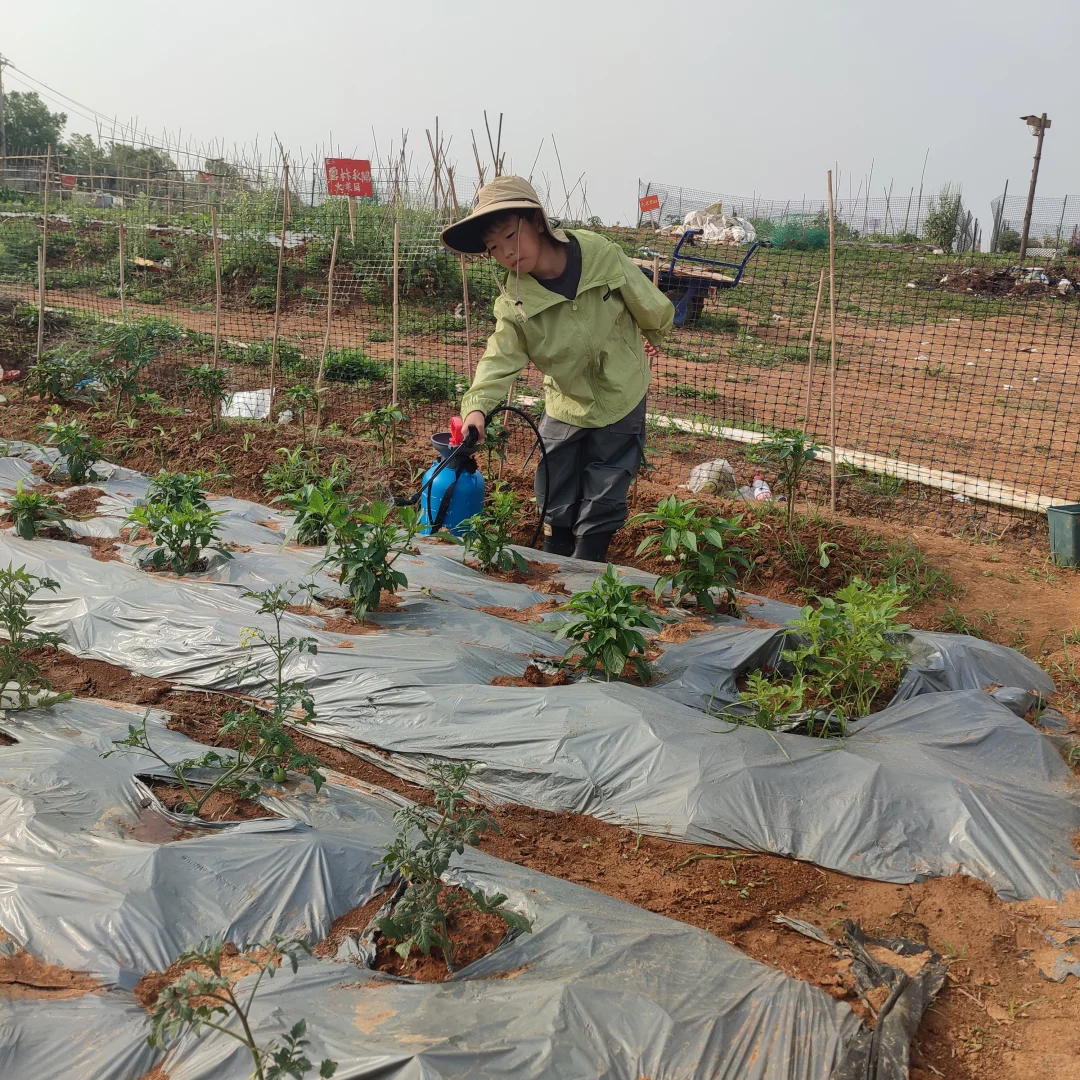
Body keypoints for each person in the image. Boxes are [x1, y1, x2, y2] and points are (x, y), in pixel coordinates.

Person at [441, 176, 674, 563]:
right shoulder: (515, 301)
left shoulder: (599, 254)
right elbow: (499, 356)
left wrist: (655, 334)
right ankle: (554, 559)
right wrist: (477, 408)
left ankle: (587, 569)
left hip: (622, 391)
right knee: (554, 483)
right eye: (493, 247)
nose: (506, 253)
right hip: (566, 398)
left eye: (510, 235)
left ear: (536, 220)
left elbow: (646, 301)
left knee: (606, 488)